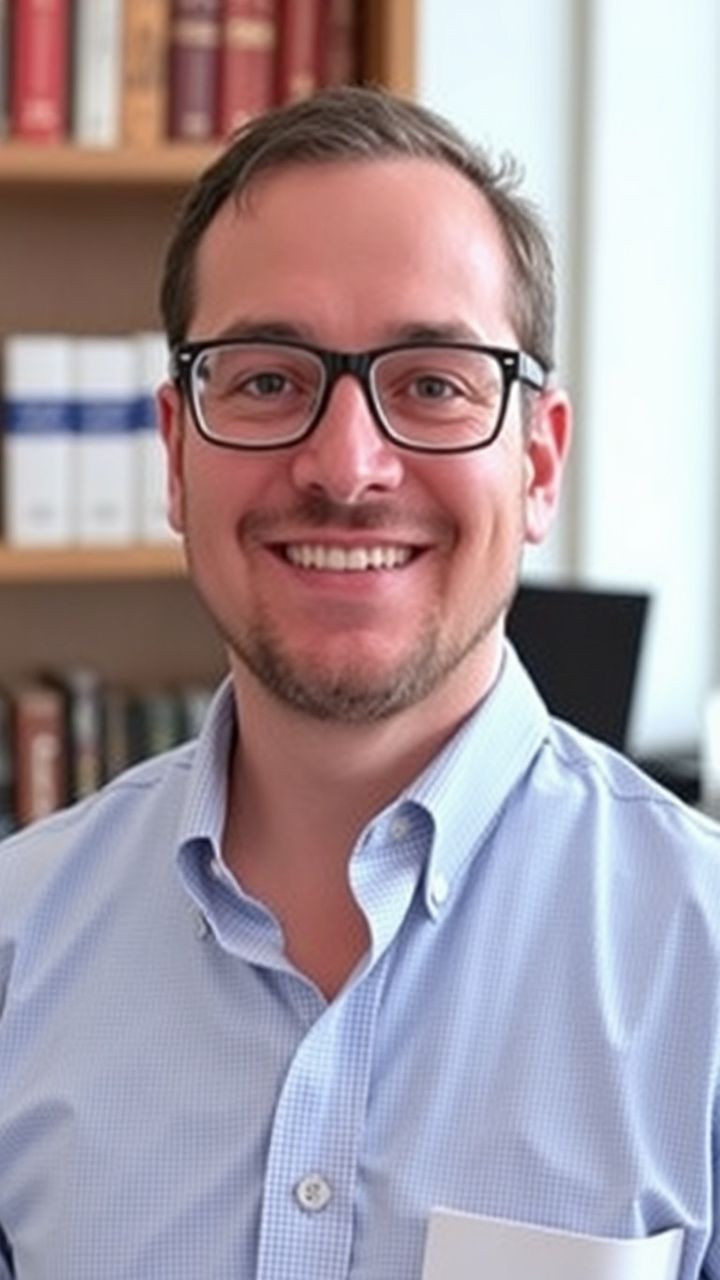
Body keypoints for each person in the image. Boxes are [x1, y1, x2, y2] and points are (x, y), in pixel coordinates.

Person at [1, 85, 719, 1280]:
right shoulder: (16, 945)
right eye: (267, 379)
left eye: (433, 382)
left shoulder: (706, 966)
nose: (345, 467)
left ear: (539, 463)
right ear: (175, 453)